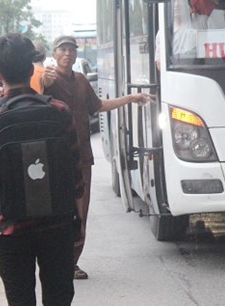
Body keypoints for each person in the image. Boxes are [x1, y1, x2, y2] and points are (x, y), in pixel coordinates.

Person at [0, 33, 84, 306]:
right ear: (31, 68)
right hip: (57, 224)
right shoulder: (59, 111)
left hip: (10, 228)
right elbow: (75, 177)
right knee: (59, 299)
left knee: (19, 300)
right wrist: (77, 223)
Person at [41, 35, 154, 280]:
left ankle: (71, 263)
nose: (68, 54)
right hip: (54, 159)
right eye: (63, 49)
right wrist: (42, 82)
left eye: (72, 49)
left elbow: (98, 105)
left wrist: (130, 98)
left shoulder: (81, 80)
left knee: (80, 213)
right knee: (55, 213)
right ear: (54, 52)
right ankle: (53, 262)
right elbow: (36, 93)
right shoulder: (48, 79)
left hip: (81, 157)